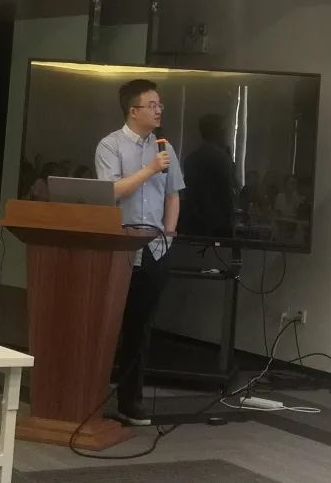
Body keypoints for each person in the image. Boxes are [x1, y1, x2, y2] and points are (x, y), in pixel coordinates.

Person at [94, 79, 184, 426]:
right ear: (133, 111)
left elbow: (173, 194)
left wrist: (169, 235)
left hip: (155, 249)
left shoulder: (165, 147)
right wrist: (149, 169)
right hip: (119, 248)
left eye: (160, 104)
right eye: (152, 105)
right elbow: (111, 191)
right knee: (108, 323)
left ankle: (130, 400)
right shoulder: (110, 145)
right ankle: (91, 395)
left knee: (140, 326)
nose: (159, 110)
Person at [181, 113, 237, 237]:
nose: (226, 133)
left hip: (194, 226)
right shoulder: (222, 159)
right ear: (218, 131)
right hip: (219, 228)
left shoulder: (191, 159)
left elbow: (189, 194)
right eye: (224, 129)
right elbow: (228, 195)